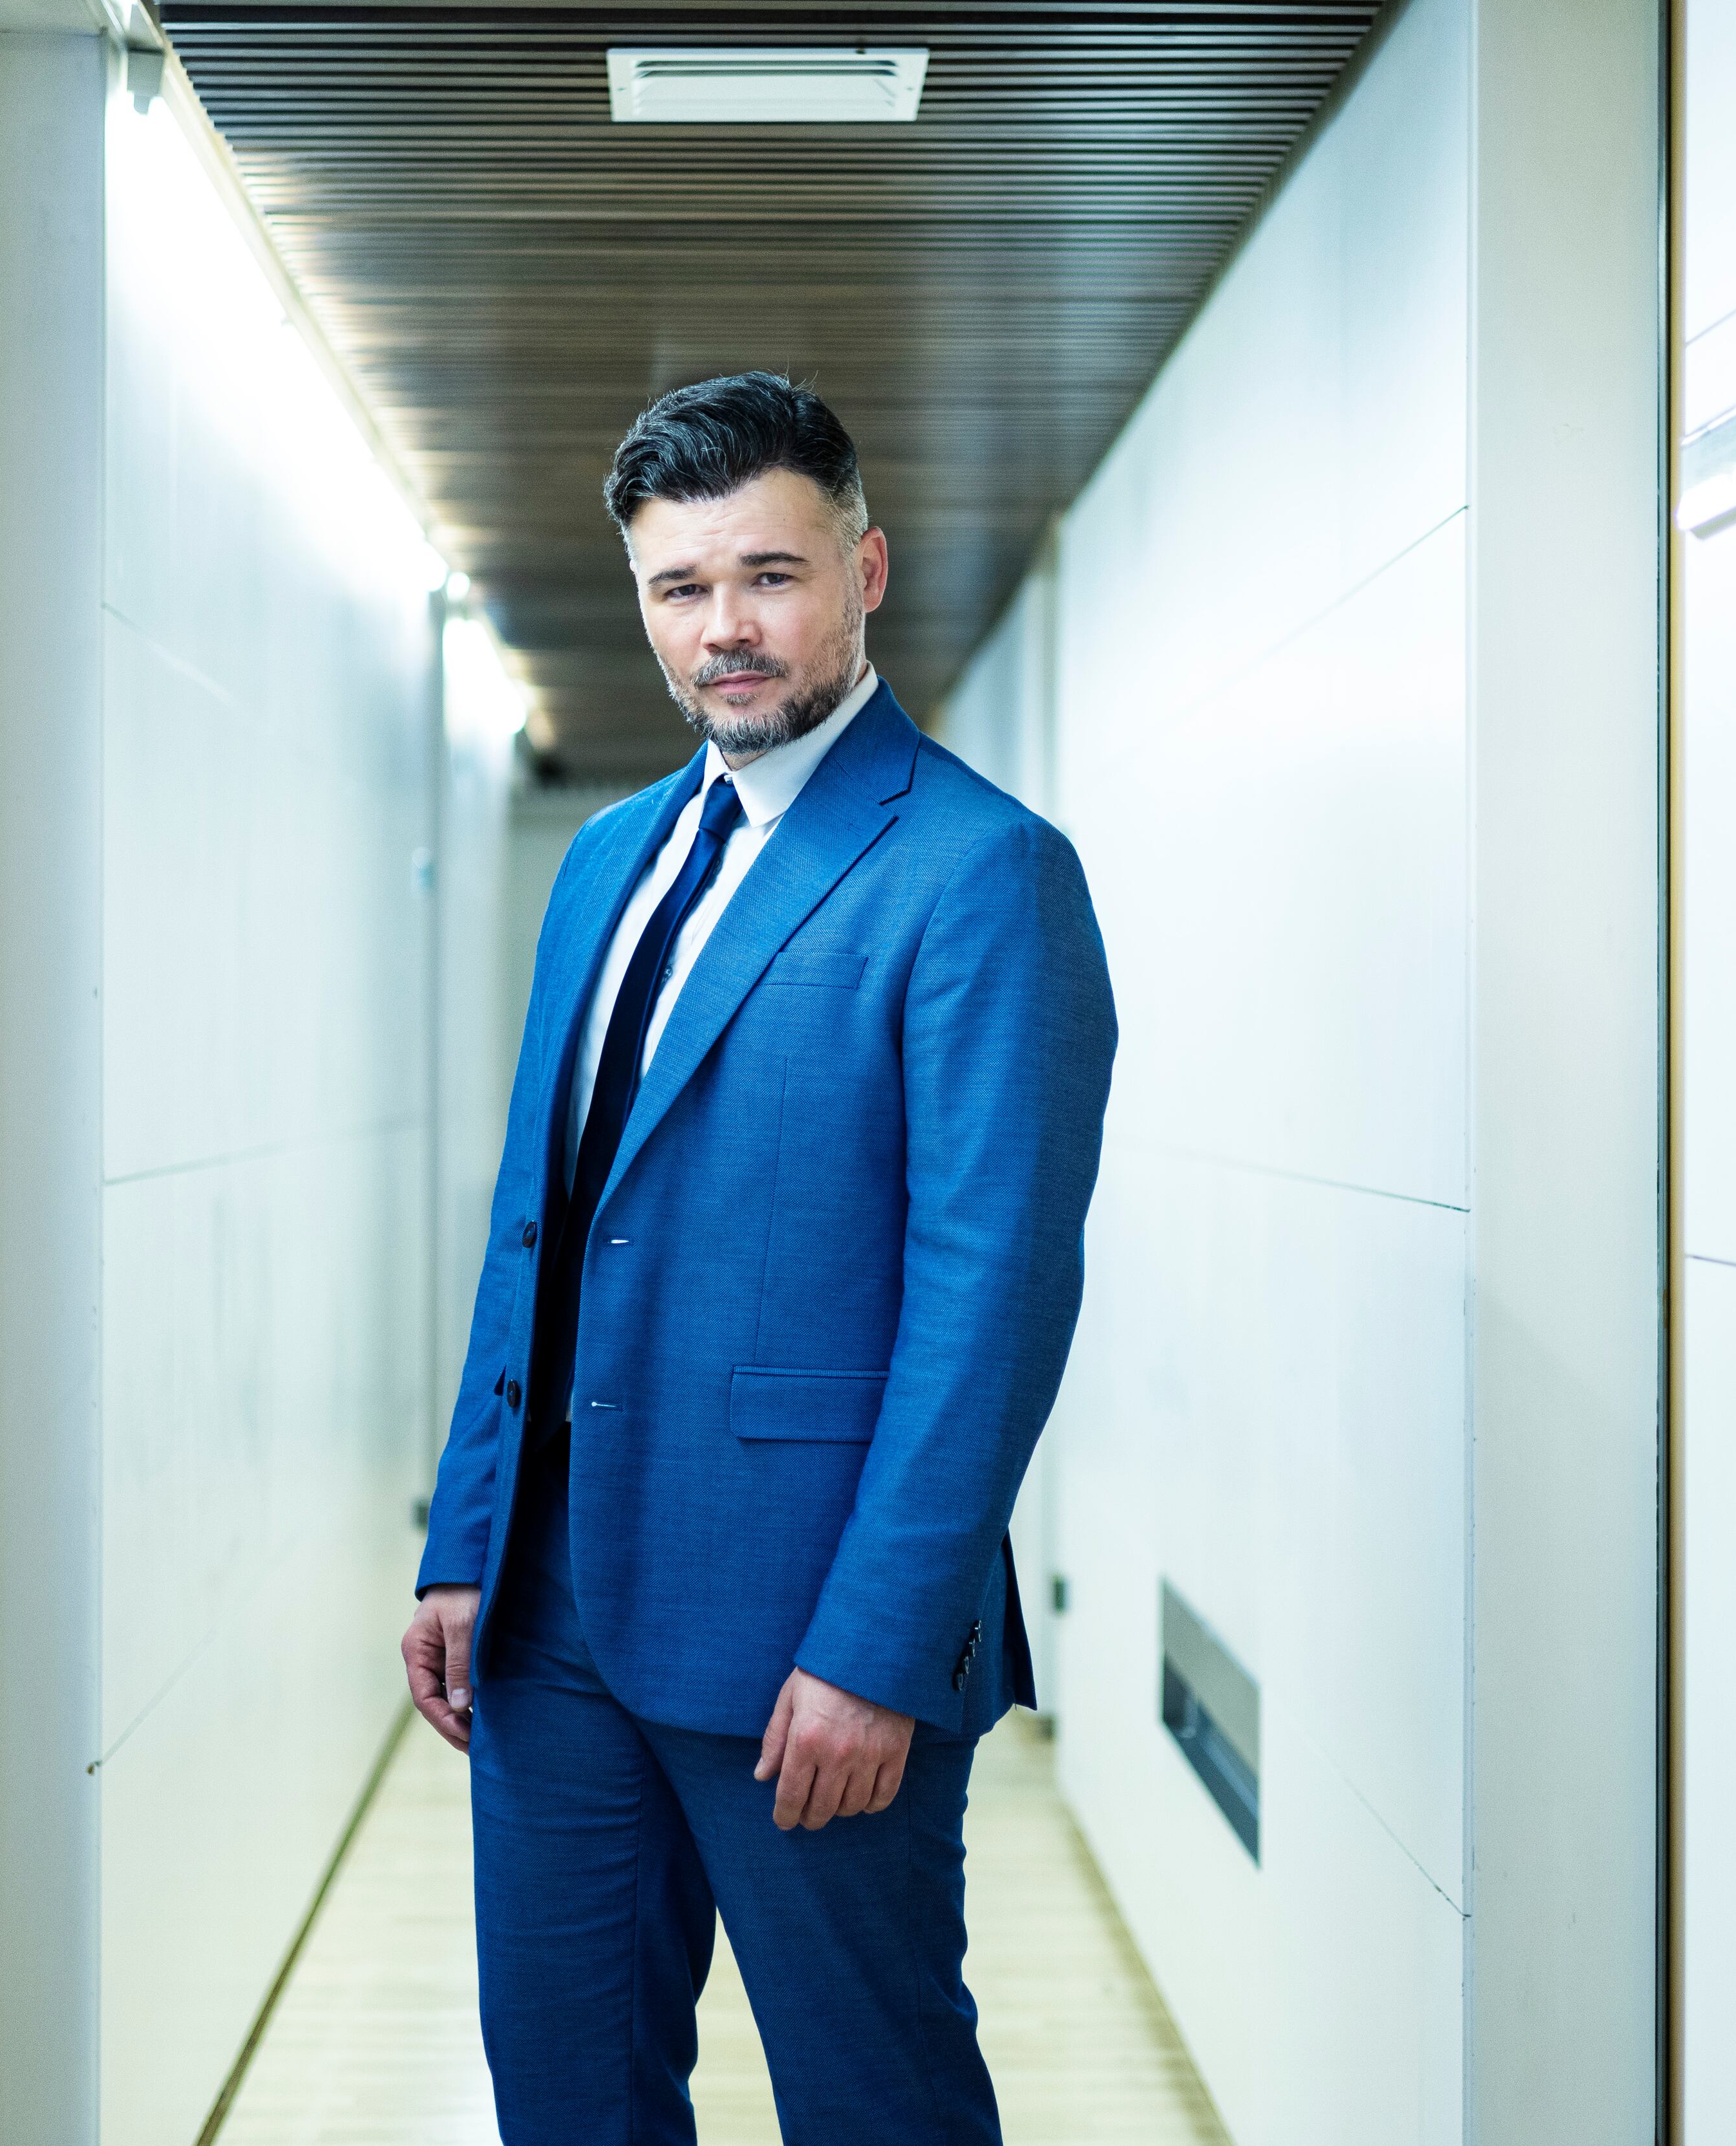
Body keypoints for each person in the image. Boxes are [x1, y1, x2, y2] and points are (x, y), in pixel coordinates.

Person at [400, 371, 1116, 2143]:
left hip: (811, 1635)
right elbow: (539, 1228)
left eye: (771, 575)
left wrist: (879, 1646)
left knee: (874, 2102)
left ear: (865, 572)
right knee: (568, 2094)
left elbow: (992, 1296)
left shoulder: (979, 875)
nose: (726, 626)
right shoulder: (606, 861)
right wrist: (465, 1538)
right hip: (553, 1623)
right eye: (679, 586)